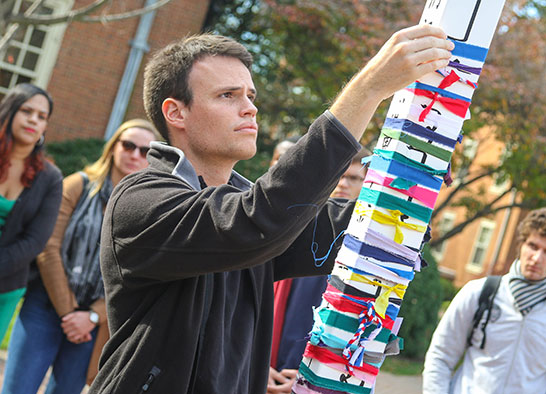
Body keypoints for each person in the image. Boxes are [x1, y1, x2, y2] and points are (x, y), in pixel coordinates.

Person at [90, 25, 454, 394]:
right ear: (176, 112)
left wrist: (412, 174)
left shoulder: (247, 205)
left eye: (250, 94)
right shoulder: (141, 199)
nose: (250, 107)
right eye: (227, 95)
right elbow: (258, 220)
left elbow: (359, 233)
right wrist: (367, 89)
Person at [2, 119, 159, 394]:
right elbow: (48, 245)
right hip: (46, 305)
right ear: (113, 147)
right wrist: (68, 311)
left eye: (145, 151)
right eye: (129, 145)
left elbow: (140, 271)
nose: (135, 155)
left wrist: (93, 316)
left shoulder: (151, 208)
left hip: (95, 321)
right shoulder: (77, 185)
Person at [422, 207, 546, 393]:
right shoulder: (478, 293)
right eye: (533, 246)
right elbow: (441, 356)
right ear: (521, 245)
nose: (537, 258)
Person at [269, 147, 370, 394]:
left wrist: (310, 378)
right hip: (268, 370)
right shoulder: (296, 231)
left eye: (353, 178)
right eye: (338, 175)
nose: (343, 183)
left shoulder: (369, 256)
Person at [0, 83, 62, 342]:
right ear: (11, 111)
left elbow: (35, 241)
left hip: (5, 287)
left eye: (42, 117)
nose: (33, 120)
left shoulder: (50, 178)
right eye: (27, 111)